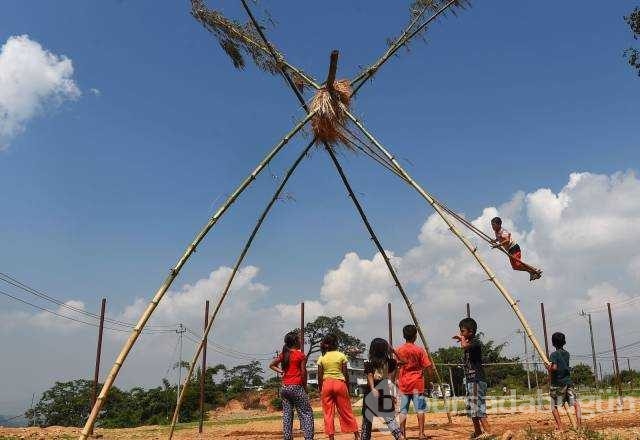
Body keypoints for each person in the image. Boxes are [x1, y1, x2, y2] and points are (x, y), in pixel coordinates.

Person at [269, 331, 314, 440]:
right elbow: (303, 373)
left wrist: (281, 371)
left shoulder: (284, 354)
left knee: (287, 415)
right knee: (306, 413)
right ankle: (308, 438)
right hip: (297, 387)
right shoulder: (300, 355)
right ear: (295, 342)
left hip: (285, 388)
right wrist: (305, 387)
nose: (301, 341)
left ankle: (287, 437)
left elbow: (271, 365)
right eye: (299, 339)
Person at [453, 318, 492, 439]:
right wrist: (462, 338)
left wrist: (462, 339)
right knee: (471, 409)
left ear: (471, 332)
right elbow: (465, 345)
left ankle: (488, 431)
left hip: (476, 380)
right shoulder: (469, 342)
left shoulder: (475, 343)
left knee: (477, 406)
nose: (461, 333)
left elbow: (464, 346)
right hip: (470, 380)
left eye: (463, 331)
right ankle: (478, 432)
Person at [317, 334, 360, 440]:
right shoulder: (341, 355)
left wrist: (320, 389)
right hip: (340, 383)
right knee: (346, 411)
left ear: (326, 345)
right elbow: (346, 373)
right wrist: (348, 387)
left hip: (326, 384)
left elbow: (319, 375)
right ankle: (356, 434)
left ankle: (331, 437)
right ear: (336, 343)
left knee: (328, 413)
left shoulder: (322, 357)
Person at [361, 338, 405, 440]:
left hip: (371, 393)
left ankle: (364, 438)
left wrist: (372, 388)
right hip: (384, 390)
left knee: (367, 419)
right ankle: (399, 436)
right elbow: (390, 381)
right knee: (389, 418)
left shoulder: (369, 362)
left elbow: (370, 375)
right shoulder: (391, 362)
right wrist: (393, 350)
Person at [395, 325, 432, 440]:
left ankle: (402, 434)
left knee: (403, 411)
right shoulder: (420, 350)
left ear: (404, 336)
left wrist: (396, 379)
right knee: (420, 410)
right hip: (417, 384)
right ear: (415, 336)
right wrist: (430, 379)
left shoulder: (399, 350)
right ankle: (421, 434)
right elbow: (428, 366)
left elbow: (396, 367)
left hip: (404, 384)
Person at [546, 332, 582, 430]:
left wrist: (548, 368)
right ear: (564, 342)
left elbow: (554, 368)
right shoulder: (567, 354)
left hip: (558, 383)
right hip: (568, 382)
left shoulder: (554, 354)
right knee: (576, 404)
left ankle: (560, 427)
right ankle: (579, 426)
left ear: (553, 343)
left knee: (554, 406)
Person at [490, 216, 542, 281]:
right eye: (492, 225)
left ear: (499, 224)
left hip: (514, 248)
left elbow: (507, 240)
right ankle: (531, 272)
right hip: (510, 250)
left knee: (518, 264)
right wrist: (495, 240)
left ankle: (534, 270)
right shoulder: (496, 231)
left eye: (493, 225)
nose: (492, 227)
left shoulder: (503, 231)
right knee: (515, 267)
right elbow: (499, 238)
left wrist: (498, 245)